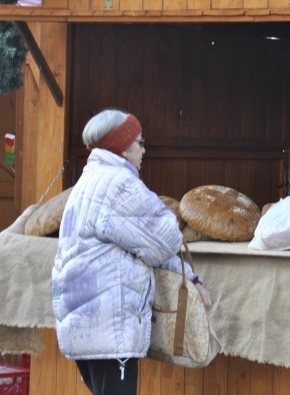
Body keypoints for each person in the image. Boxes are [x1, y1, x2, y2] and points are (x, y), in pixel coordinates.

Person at [52, 109, 211, 395]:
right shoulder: (119, 185)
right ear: (123, 148)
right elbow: (164, 238)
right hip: (110, 327)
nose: (144, 149)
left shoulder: (89, 181)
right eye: (140, 142)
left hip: (86, 325)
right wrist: (193, 279)